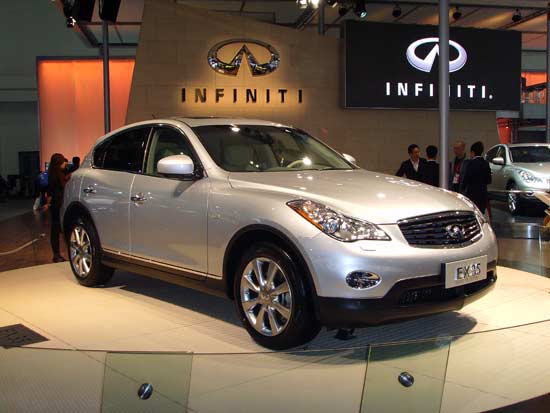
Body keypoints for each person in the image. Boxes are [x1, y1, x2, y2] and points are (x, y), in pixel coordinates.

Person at [44, 153, 69, 263]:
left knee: (55, 230)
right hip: (58, 205)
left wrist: (48, 203)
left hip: (56, 205)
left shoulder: (53, 174)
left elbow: (49, 192)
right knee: (57, 230)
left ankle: (57, 254)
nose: (65, 163)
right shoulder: (58, 175)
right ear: (59, 162)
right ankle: (57, 255)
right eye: (63, 161)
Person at [462, 141, 492, 214]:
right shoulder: (486, 163)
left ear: (472, 152)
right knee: (481, 213)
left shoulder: (470, 164)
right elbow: (489, 180)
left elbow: (466, 179)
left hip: (472, 194)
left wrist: (463, 188)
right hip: (482, 194)